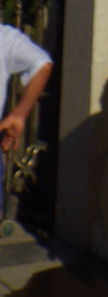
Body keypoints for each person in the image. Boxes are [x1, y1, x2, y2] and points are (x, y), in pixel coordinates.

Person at [0, 23, 53, 206]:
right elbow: (42, 64)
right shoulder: (4, 37)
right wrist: (19, 114)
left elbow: (42, 64)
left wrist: (18, 114)